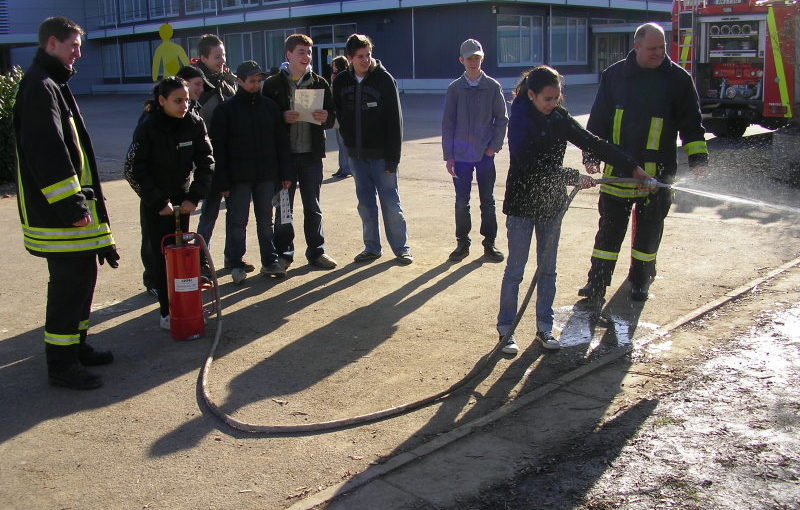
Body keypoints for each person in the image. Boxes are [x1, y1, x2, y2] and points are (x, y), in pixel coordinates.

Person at [497, 66, 642, 355]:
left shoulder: (559, 117)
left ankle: (544, 327)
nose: (553, 104)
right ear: (531, 95)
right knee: (515, 270)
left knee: (548, 270)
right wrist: (572, 176)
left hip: (551, 206)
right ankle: (506, 329)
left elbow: (591, 141)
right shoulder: (520, 119)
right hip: (521, 206)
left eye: (557, 98)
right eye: (547, 99)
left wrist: (632, 167)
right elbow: (529, 164)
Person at [14, 16, 119, 389]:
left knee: (83, 279)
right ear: (52, 43)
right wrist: (72, 208)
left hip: (69, 214)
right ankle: (61, 364)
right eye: (73, 45)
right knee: (68, 287)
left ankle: (76, 346)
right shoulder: (40, 87)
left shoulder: (51, 83)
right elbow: (48, 155)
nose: (79, 53)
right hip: (59, 217)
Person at [579, 22, 709, 303]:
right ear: (636, 46)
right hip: (619, 172)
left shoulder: (678, 80)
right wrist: (591, 155)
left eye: (662, 47)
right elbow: (598, 119)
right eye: (652, 48)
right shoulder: (614, 76)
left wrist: (698, 159)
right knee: (609, 233)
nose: (659, 53)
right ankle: (596, 283)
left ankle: (640, 281)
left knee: (648, 235)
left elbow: (692, 124)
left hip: (658, 175)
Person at [129, 76, 214, 328]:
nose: (184, 105)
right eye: (177, 101)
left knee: (182, 254)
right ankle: (166, 311)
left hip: (182, 198)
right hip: (156, 200)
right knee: (161, 256)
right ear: (162, 100)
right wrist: (158, 202)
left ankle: (185, 303)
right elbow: (134, 170)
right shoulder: (148, 126)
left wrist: (193, 197)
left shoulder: (194, 123)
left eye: (186, 100)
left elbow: (206, 162)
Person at [332, 34, 413, 265]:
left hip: (382, 157)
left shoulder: (384, 80)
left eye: (368, 55)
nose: (366, 60)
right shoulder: (341, 82)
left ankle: (401, 248)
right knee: (365, 205)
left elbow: (395, 122)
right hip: (356, 156)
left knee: (391, 203)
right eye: (360, 56)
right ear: (350, 58)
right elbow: (336, 113)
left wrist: (393, 159)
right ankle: (371, 247)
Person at [211, 61, 292, 283]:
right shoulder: (226, 110)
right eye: (251, 81)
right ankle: (236, 262)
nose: (256, 85)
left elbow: (281, 142)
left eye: (259, 81)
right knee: (238, 221)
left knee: (265, 220)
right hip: (238, 177)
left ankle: (270, 261)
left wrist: (285, 173)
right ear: (239, 81)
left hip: (266, 175)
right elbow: (219, 149)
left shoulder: (269, 107)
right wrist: (222, 181)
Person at [262, 34, 338, 271]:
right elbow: (263, 119)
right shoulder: (273, 84)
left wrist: (326, 118)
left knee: (313, 206)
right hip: (284, 157)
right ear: (289, 54)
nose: (307, 56)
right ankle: (284, 254)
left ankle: (317, 252)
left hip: (311, 156)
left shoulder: (319, 82)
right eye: (301, 52)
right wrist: (281, 117)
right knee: (284, 208)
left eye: (309, 52)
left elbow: (333, 118)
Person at [442, 38, 508, 263]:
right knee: (462, 201)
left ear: (482, 58)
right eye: (469, 58)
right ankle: (462, 243)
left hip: (484, 155)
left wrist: (493, 147)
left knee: (487, 201)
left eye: (477, 57)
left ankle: (489, 244)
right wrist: (449, 156)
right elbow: (448, 123)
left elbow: (501, 119)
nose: (473, 62)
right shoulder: (454, 89)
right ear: (461, 60)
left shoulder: (493, 87)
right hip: (460, 157)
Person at [191, 34, 249, 274]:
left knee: (236, 214)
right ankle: (200, 262)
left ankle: (233, 258)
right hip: (211, 161)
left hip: (233, 159)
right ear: (203, 58)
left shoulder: (227, 81)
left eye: (223, 55)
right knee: (209, 213)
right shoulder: (199, 86)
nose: (222, 60)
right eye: (217, 56)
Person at [329, 55, 351, 178]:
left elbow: (334, 94)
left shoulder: (343, 77)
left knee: (343, 144)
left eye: (334, 65)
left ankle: (346, 168)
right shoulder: (339, 77)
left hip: (342, 115)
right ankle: (342, 167)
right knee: (341, 144)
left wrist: (333, 82)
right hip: (338, 114)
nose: (332, 67)